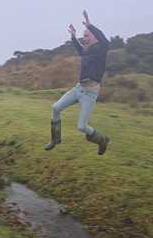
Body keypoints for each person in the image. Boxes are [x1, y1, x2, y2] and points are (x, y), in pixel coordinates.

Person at [44, 10, 110, 155]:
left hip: (90, 93)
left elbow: (104, 40)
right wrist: (73, 36)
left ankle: (102, 139)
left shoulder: (102, 48)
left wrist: (90, 25)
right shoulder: (87, 50)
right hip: (78, 88)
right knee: (55, 108)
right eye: (83, 35)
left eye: (86, 35)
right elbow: (80, 49)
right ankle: (56, 139)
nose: (84, 38)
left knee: (81, 127)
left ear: (93, 36)